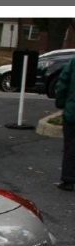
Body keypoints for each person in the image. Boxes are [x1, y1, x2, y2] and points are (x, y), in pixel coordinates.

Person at [55, 56, 75, 191]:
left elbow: (62, 84)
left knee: (71, 146)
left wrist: (61, 103)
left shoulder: (73, 62)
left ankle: (68, 179)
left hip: (73, 112)